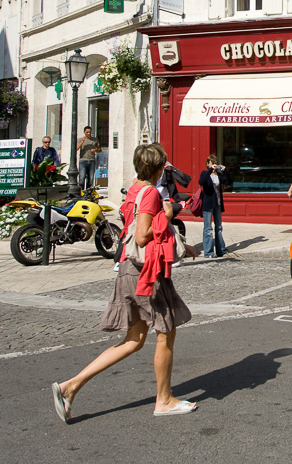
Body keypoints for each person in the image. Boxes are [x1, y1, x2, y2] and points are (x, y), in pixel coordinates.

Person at [51, 143, 198, 423]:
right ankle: (164, 400)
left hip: (129, 270)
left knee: (134, 339)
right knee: (165, 332)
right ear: (158, 168)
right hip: (146, 273)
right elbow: (142, 235)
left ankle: (70, 386)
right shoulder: (152, 193)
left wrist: (185, 246)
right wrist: (167, 214)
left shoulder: (133, 189)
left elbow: (135, 229)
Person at [198, 155, 232, 258]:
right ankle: (208, 252)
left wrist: (225, 170)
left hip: (217, 204)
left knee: (218, 227)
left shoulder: (218, 175)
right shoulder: (205, 173)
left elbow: (228, 182)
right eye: (211, 163)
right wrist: (210, 171)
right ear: (207, 164)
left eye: (215, 163)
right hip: (208, 205)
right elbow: (201, 182)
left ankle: (221, 249)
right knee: (208, 228)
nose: (213, 165)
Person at [76, 127, 101, 192]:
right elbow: (76, 148)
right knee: (82, 178)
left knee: (91, 178)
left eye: (90, 132)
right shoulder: (80, 139)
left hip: (92, 160)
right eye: (87, 132)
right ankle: (81, 192)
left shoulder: (95, 140)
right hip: (83, 160)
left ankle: (88, 192)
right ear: (84, 132)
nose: (89, 133)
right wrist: (82, 141)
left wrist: (95, 150)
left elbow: (100, 149)